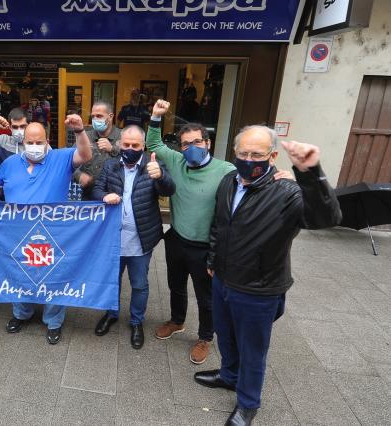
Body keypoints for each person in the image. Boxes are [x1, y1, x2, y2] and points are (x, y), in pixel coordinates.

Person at [195, 126, 341, 426]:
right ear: (235, 153)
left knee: (253, 350)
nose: (249, 159)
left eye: (257, 154)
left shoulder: (286, 191)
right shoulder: (228, 181)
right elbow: (219, 225)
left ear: (273, 156)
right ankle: (229, 375)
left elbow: (325, 218)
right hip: (222, 278)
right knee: (225, 335)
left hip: (258, 289)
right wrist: (212, 258)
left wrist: (309, 173)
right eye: (243, 153)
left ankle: (248, 404)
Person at [0, 114, 93, 344]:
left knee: (54, 276)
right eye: (30, 142)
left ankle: (53, 321)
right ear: (23, 141)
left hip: (53, 234)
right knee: (19, 274)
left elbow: (85, 154)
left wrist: (79, 131)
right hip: (17, 234)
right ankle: (22, 314)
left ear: (48, 141)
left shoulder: (61, 158)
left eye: (40, 142)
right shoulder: (10, 164)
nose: (35, 146)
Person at [146, 99, 235, 365]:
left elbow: (244, 193)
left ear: (207, 143)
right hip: (177, 238)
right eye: (186, 144)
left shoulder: (225, 170)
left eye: (197, 142)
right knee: (176, 285)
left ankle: (206, 336)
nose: (191, 148)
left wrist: (277, 177)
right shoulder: (176, 161)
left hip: (205, 247)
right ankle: (177, 320)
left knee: (206, 297)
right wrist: (155, 117)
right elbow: (154, 144)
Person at [92, 125, 175, 349]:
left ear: (143, 146)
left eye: (135, 145)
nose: (130, 149)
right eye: (126, 145)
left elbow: (168, 190)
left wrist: (161, 176)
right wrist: (104, 195)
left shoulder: (153, 165)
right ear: (119, 145)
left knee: (139, 284)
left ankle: (137, 321)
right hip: (113, 238)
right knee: (112, 280)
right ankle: (111, 314)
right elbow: (96, 188)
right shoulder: (111, 165)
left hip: (141, 238)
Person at [69, 101, 121, 200]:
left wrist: (112, 149)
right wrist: (79, 175)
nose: (95, 119)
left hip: (115, 196)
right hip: (88, 196)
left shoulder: (123, 136)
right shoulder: (85, 137)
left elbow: (133, 161)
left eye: (99, 116)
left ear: (110, 116)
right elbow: (69, 161)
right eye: (93, 116)